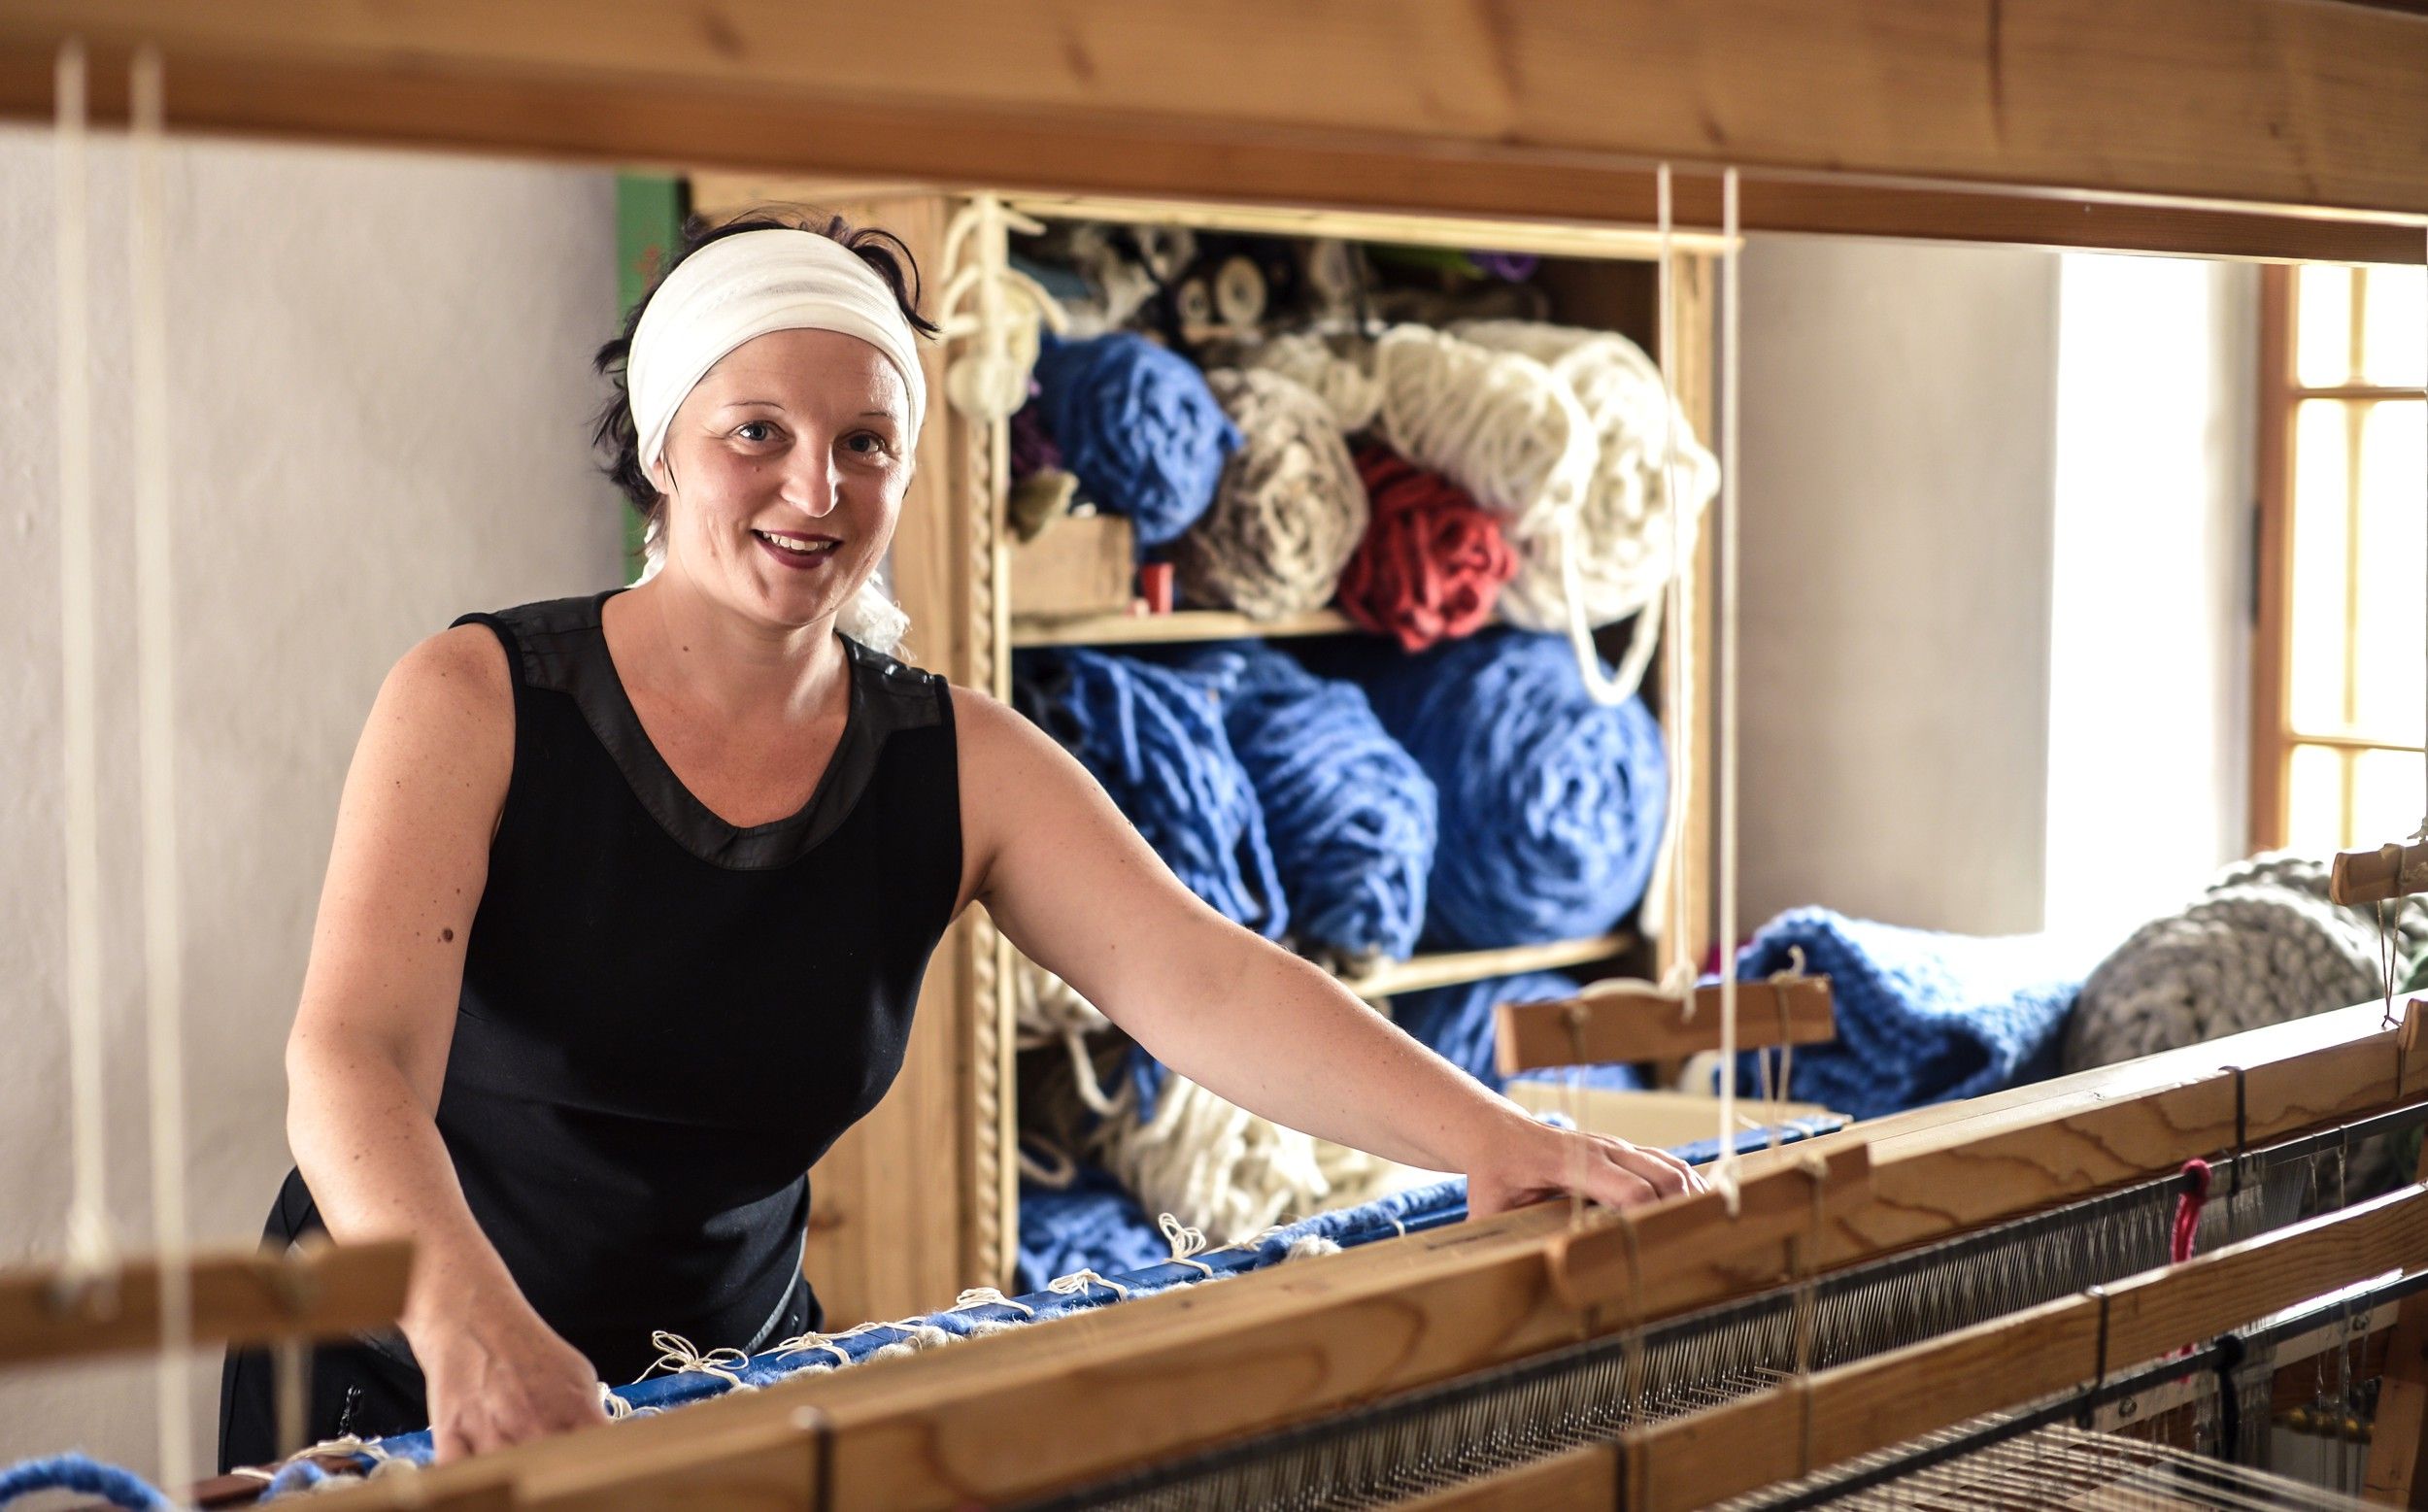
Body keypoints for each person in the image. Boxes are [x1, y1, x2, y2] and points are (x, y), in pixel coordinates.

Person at [219, 212, 1703, 1471]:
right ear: (664, 450)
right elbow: (349, 1062)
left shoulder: (955, 760)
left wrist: (1500, 1140)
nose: (817, 488)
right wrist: (470, 1331)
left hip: (710, 1386)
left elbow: (1200, 977)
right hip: (399, 1370)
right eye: (759, 434)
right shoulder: (478, 700)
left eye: (866, 442)